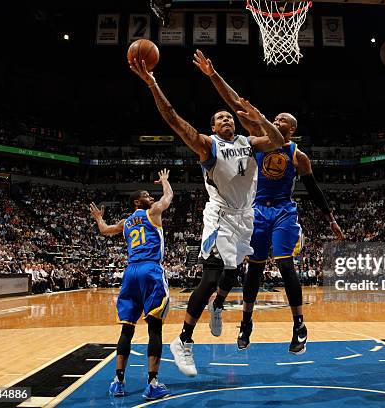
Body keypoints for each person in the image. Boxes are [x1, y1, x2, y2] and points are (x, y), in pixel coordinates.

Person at [130, 57, 285, 376]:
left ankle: (217, 306)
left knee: (231, 277)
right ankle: (183, 341)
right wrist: (152, 84)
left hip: (246, 219)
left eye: (229, 116)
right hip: (220, 217)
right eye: (220, 117)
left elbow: (278, 141)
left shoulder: (249, 142)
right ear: (213, 127)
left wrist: (261, 118)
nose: (226, 117)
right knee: (211, 277)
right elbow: (173, 118)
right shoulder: (207, 146)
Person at [192, 49, 344, 354]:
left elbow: (314, 189)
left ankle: (299, 325)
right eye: (275, 118)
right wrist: (213, 75)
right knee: (255, 269)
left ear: (292, 127)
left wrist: (330, 219)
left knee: (287, 265)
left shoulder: (298, 156)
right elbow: (235, 101)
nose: (275, 120)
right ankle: (246, 322)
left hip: (284, 211)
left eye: (281, 120)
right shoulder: (258, 135)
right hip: (255, 210)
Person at [89, 169, 173, 401]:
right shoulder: (153, 212)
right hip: (150, 270)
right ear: (138, 201)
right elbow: (168, 198)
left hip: (130, 272)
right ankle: (153, 383)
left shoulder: (125, 223)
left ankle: (118, 381)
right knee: (154, 327)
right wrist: (165, 181)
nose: (152, 197)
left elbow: (105, 231)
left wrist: (98, 218)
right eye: (147, 194)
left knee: (127, 328)